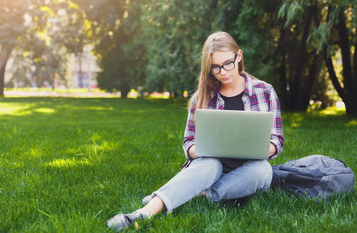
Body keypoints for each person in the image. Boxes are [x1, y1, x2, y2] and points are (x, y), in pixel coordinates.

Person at [107, 31, 284, 231]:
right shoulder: (203, 96)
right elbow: (189, 143)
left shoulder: (265, 91)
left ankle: (197, 193)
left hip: (249, 168)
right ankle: (144, 212)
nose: (223, 72)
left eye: (228, 63)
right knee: (211, 165)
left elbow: (276, 140)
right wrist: (206, 149)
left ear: (239, 56)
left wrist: (257, 149)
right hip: (210, 165)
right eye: (215, 67)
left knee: (263, 170)